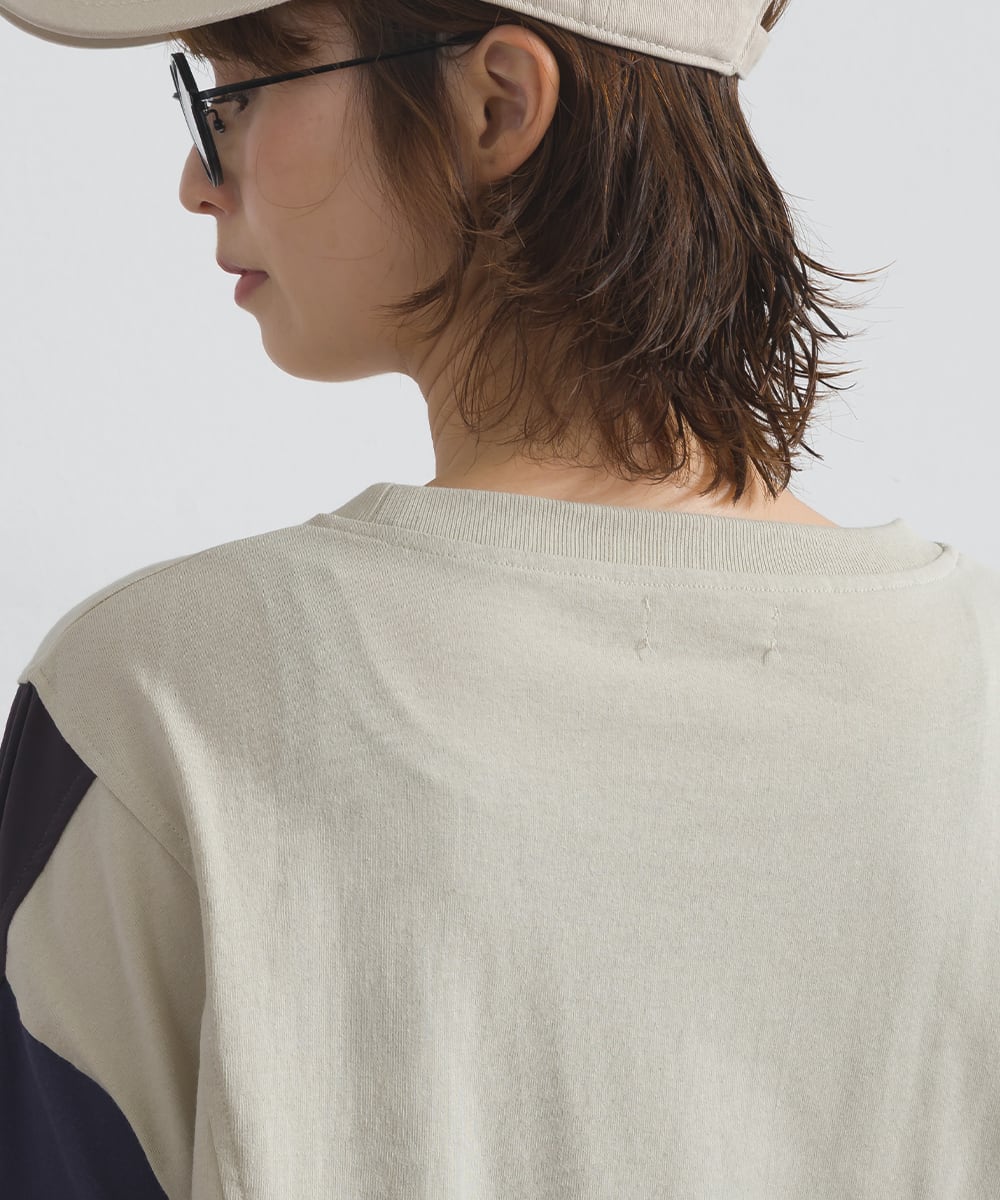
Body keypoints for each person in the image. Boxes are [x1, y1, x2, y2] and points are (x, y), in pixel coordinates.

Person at [1, 2, 998, 1198]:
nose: (195, 183)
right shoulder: (977, 690)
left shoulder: (157, 703)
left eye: (237, 94)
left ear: (496, 106)